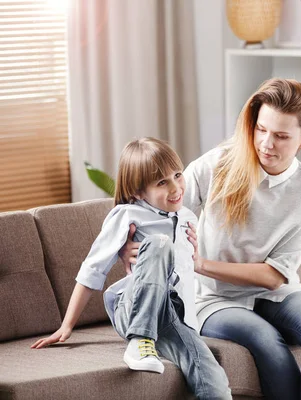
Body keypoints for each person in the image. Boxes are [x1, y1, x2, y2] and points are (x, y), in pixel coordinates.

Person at [119, 78, 301, 400]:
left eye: (280, 136)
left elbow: (273, 276)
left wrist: (201, 264)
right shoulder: (219, 164)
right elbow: (158, 207)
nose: (266, 143)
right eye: (261, 130)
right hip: (213, 297)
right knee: (264, 339)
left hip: (276, 292)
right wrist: (128, 240)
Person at [32, 137, 232, 400]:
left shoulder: (187, 218)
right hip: (133, 306)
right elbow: (93, 269)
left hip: (172, 316)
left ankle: (154, 339)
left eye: (177, 175)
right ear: (139, 192)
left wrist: (190, 328)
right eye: (162, 182)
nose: (175, 187)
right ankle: (139, 339)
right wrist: (66, 326)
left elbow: (184, 274)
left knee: (213, 377)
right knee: (159, 244)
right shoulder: (127, 216)